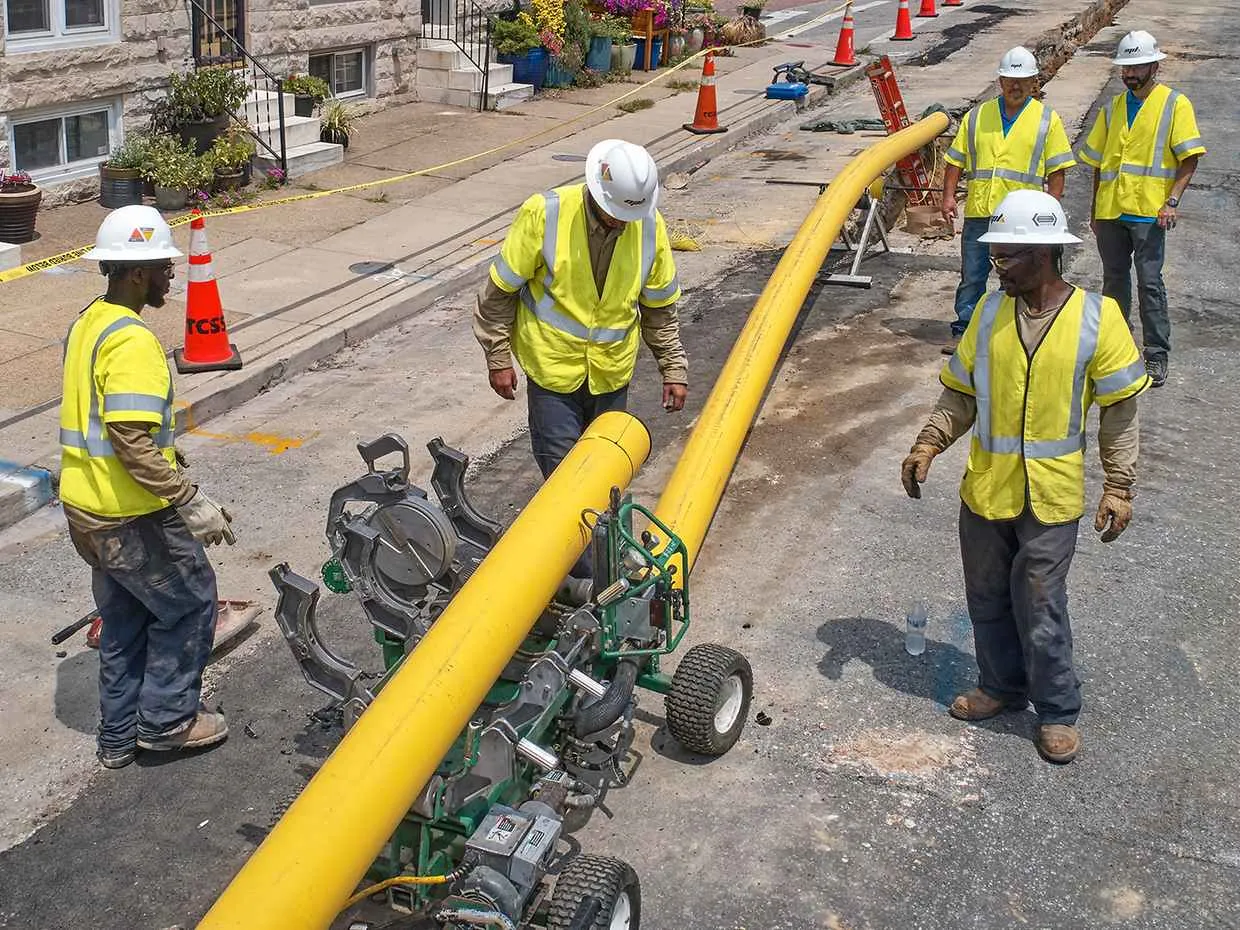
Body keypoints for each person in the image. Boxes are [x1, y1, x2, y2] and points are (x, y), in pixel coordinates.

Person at [901, 190, 1150, 764]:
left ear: (1041, 253)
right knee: (986, 597)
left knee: (1039, 601)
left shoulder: (1098, 318)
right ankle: (1000, 687)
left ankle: (1058, 710)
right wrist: (928, 442)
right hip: (986, 488)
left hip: (1051, 495)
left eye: (1005, 256)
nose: (996, 267)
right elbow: (960, 394)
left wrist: (1119, 485)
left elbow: (1119, 412)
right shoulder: (989, 313)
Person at [60, 205, 235, 770]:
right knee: (189, 605)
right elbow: (131, 440)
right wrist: (189, 499)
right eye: (162, 266)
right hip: (130, 514)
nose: (170, 275)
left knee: (128, 617)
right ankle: (167, 723)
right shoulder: (132, 342)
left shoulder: (89, 322)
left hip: (88, 509)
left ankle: (118, 737)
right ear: (136, 273)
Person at [473, 138, 687, 481]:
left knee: (606, 478)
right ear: (596, 190)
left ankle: (600, 537)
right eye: (616, 214)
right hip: (553, 374)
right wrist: (497, 358)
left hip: (611, 376)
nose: (621, 223)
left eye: (628, 215)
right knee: (566, 483)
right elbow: (498, 295)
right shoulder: (545, 213)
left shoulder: (648, 225)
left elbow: (660, 311)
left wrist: (673, 368)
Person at [1077, 30, 1206, 388]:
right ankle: (1116, 348)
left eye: (1136, 68)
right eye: (1125, 68)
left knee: (1150, 283)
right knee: (1114, 282)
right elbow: (1099, 164)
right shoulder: (1113, 108)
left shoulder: (1174, 104)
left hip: (1150, 212)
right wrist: (1094, 210)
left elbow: (1189, 159)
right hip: (1111, 212)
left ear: (1154, 65)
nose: (1129, 75)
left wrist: (1172, 202)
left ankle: (1156, 353)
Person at [940, 47, 1077, 353]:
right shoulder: (977, 116)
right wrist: (948, 197)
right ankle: (966, 331)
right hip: (980, 211)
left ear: (1034, 83)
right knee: (972, 276)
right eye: (1010, 80)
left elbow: (1058, 170)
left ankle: (1013, 333)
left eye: (1023, 81)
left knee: (1015, 277)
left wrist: (1050, 209)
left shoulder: (1045, 120)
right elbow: (955, 160)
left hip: (1021, 222)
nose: (1016, 86)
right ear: (1000, 80)